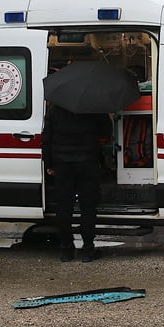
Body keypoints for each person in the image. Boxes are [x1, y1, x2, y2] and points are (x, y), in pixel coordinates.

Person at [42, 103, 113, 262]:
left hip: (62, 165)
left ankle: (66, 249)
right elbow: (106, 132)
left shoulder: (54, 109)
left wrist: (49, 164)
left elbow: (47, 138)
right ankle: (87, 249)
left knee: (64, 207)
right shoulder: (94, 107)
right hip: (87, 163)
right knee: (88, 206)